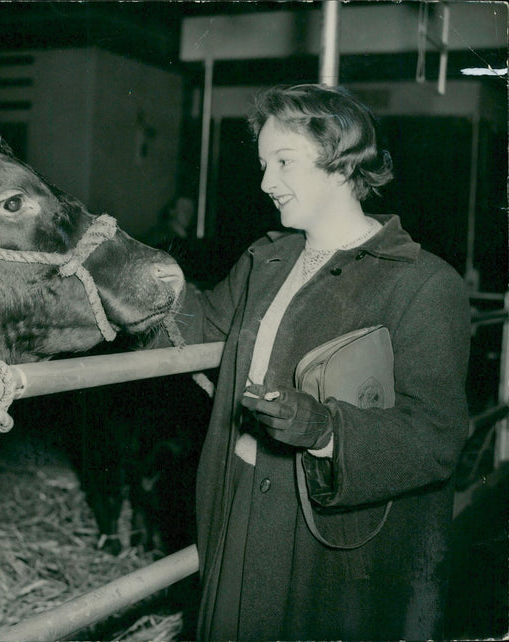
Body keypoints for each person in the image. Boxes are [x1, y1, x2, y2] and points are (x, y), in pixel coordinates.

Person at [173, 84, 470, 640]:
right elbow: (191, 332)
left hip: (330, 531)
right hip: (237, 496)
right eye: (263, 164)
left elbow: (437, 435)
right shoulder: (264, 260)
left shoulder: (423, 283)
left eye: (283, 161)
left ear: (339, 158)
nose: (265, 182)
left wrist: (325, 429)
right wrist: (135, 280)